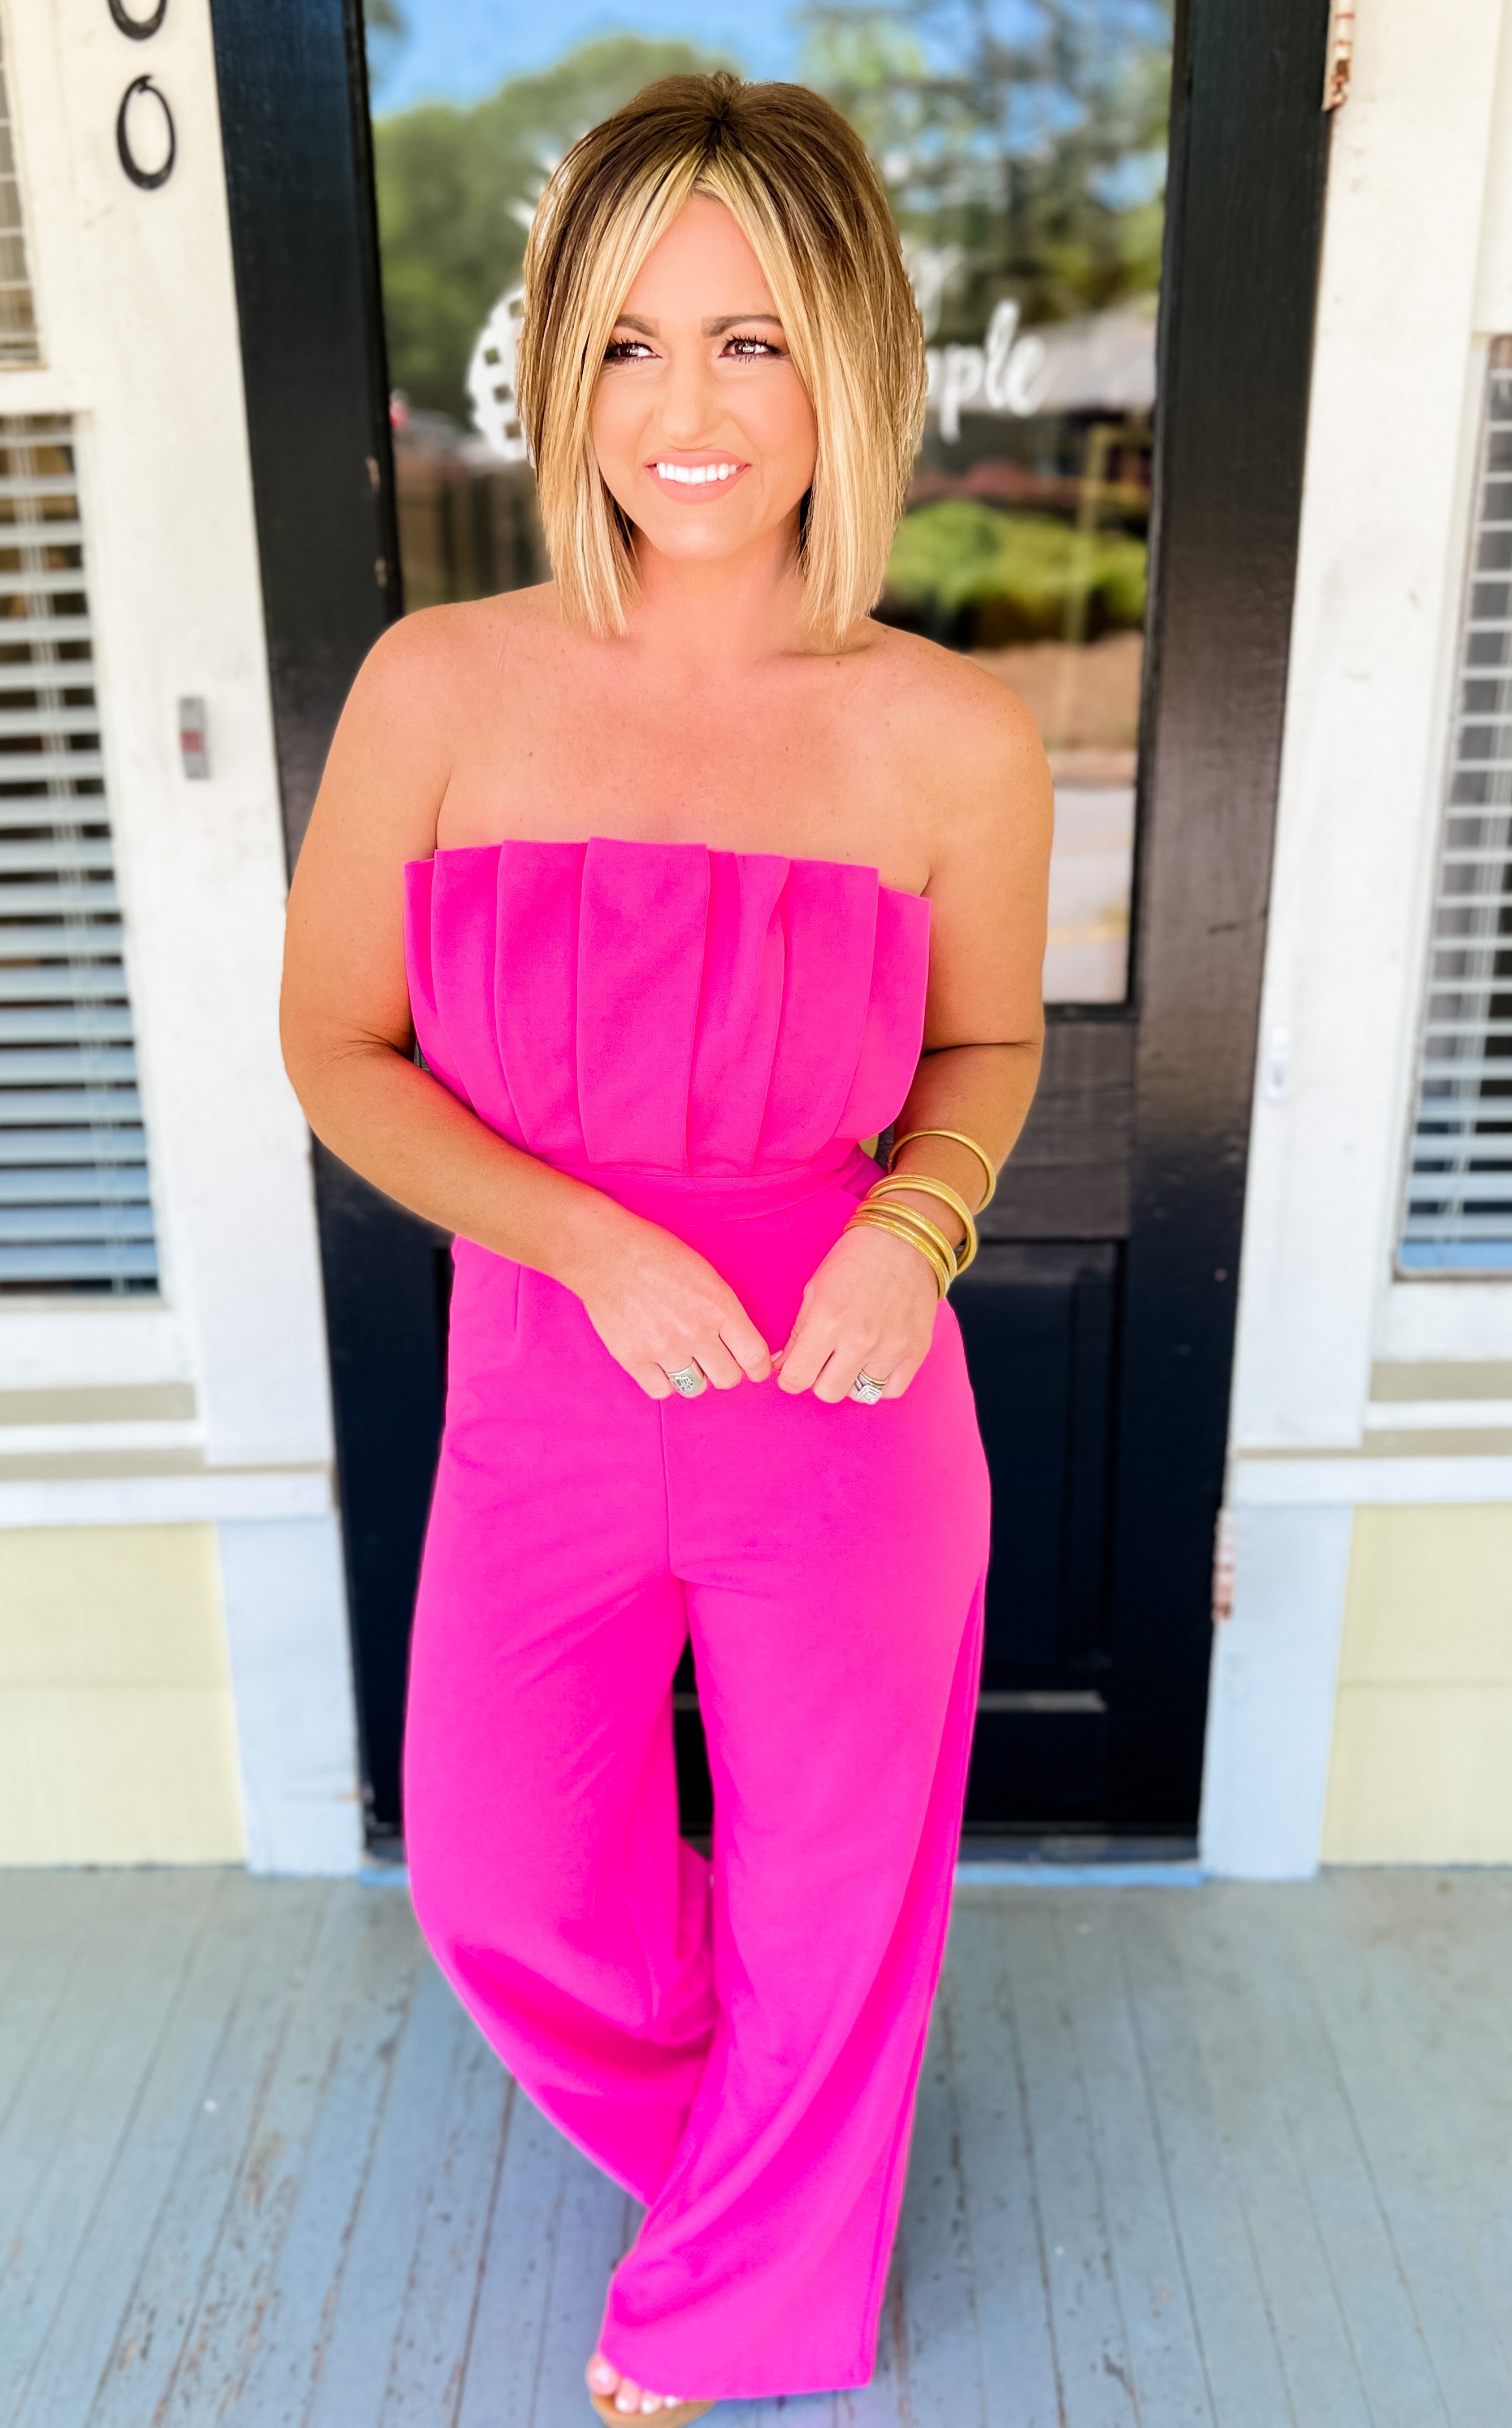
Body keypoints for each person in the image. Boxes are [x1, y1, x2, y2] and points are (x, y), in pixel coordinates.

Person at [280, 70, 1051, 2426]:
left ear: (853, 361)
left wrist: (916, 1223)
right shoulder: (440, 688)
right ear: (553, 365)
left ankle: (732, 2292)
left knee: (837, 1885)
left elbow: (990, 1043)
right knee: (500, 1879)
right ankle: (769, 2147)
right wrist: (586, 1245)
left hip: (843, 1384)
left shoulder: (952, 737)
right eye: (624, 340)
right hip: (549, 1372)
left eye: (748, 340)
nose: (682, 410)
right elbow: (336, 1046)